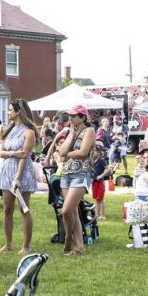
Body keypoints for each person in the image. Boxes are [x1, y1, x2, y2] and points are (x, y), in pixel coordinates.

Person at [0, 99, 40, 254]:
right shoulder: (7, 130)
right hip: (7, 170)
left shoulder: (29, 132)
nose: (8, 113)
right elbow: (1, 153)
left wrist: (18, 177)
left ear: (18, 111)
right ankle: (8, 244)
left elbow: (24, 156)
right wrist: (13, 153)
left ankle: (26, 245)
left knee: (24, 208)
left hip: (22, 171)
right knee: (7, 209)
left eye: (10, 110)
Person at [55, 104, 96, 256]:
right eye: (70, 116)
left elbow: (83, 152)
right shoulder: (71, 132)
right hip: (66, 174)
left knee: (66, 211)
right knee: (73, 212)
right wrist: (71, 135)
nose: (70, 118)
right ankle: (79, 247)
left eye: (74, 116)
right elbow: (61, 151)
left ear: (83, 117)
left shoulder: (89, 131)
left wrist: (68, 154)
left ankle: (68, 239)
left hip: (81, 173)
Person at [91, 146, 114, 219]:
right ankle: (97, 215)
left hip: (100, 182)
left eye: (95, 151)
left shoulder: (101, 160)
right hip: (94, 181)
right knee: (96, 199)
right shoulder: (93, 161)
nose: (93, 152)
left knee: (101, 199)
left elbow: (108, 169)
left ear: (99, 152)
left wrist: (101, 176)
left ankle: (102, 215)